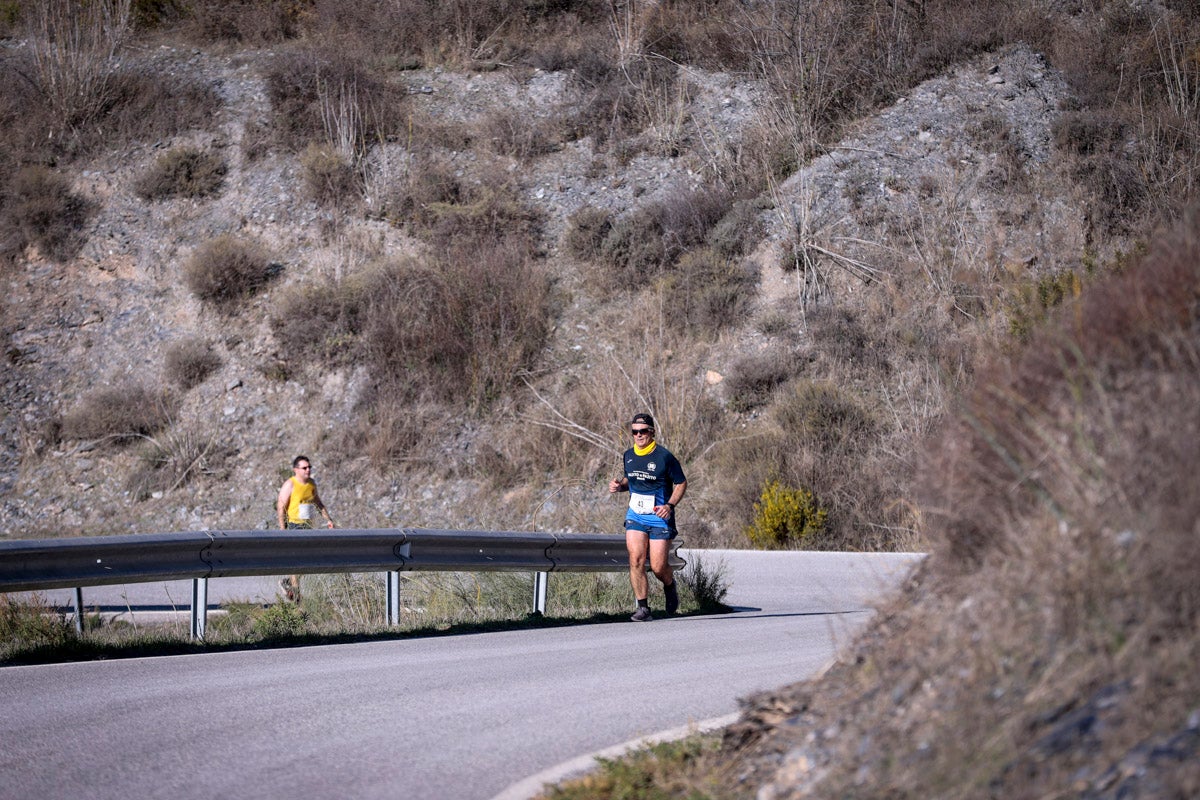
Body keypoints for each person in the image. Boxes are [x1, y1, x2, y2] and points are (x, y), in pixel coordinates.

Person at [608, 412, 687, 621]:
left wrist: (669, 505)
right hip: (636, 515)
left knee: (659, 567)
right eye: (634, 432)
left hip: (659, 517)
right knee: (636, 560)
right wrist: (619, 486)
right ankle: (643, 608)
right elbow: (630, 480)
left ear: (652, 432)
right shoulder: (628, 455)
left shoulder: (664, 457)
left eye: (643, 431)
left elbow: (681, 483)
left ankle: (669, 585)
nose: (638, 435)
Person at [275, 454, 335, 602]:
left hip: (308, 527)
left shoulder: (311, 484)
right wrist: (283, 530)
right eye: (304, 468)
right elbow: (280, 507)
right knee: (297, 561)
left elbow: (318, 504)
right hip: (294, 527)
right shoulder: (290, 484)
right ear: (296, 470)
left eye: (309, 467)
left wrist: (329, 520)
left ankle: (288, 583)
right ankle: (296, 597)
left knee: (310, 560)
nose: (308, 470)